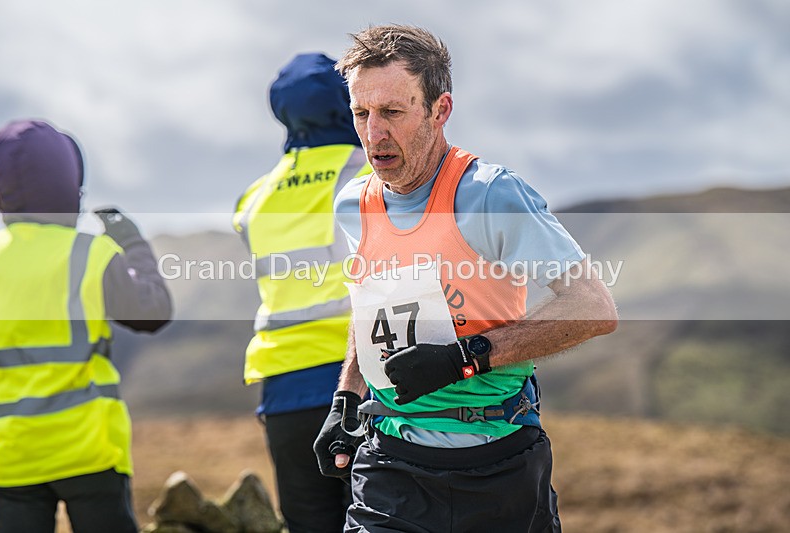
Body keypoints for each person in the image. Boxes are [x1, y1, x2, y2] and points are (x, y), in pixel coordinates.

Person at [312, 25, 619, 532]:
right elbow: (371, 308)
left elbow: (593, 307)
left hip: (497, 466)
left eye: (392, 112)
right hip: (389, 463)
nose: (373, 133)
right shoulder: (354, 204)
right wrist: (345, 397)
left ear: (440, 110)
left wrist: (465, 359)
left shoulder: (490, 195)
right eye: (361, 114)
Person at [0, 119, 172, 533]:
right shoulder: (91, 253)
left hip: (8, 456)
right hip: (89, 451)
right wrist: (133, 245)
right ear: (67, 183)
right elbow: (154, 312)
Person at [232, 53, 371, 532]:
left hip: (285, 390)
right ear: (348, 101)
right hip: (360, 379)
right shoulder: (371, 176)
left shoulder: (254, 200)